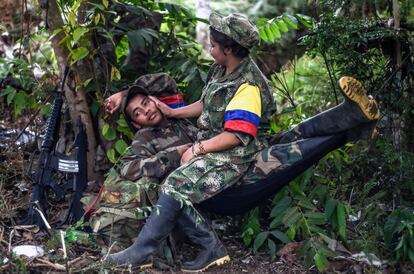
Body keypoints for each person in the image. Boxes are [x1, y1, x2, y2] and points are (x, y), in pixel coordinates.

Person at [106, 12, 380, 273]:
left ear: (228, 49)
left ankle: (159, 250)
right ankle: (352, 116)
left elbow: (236, 136)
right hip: (222, 141)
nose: (209, 49)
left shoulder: (246, 87)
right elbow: (207, 103)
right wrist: (173, 112)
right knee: (294, 136)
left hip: (235, 152)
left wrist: (196, 149)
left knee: (175, 186)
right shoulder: (222, 70)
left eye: (213, 45)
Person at [81, 73, 197, 249]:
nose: (146, 111)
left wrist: (123, 94)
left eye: (146, 103)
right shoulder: (144, 136)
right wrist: (173, 155)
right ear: (136, 123)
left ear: (154, 100)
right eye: (138, 113)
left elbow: (165, 80)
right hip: (179, 197)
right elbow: (129, 168)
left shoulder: (176, 115)